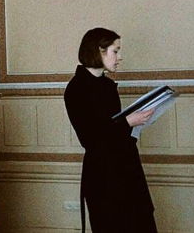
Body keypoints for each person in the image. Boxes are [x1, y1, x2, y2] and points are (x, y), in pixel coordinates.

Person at [64, 28, 157, 233]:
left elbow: (113, 131)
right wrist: (128, 122)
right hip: (104, 177)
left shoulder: (106, 85)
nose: (119, 57)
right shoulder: (76, 89)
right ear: (99, 51)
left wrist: (134, 124)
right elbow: (90, 139)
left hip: (126, 170)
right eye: (115, 51)